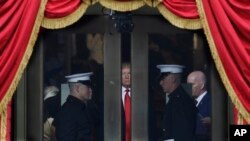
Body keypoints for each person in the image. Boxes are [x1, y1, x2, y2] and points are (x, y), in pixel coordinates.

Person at [156, 64, 197, 141]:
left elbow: (183, 133)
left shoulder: (181, 100)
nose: (161, 83)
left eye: (163, 78)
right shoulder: (175, 98)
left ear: (173, 79)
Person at [54, 72, 97, 141]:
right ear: (77, 88)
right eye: (88, 87)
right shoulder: (67, 112)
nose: (91, 90)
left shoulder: (85, 108)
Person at [187, 71, 211, 141]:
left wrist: (212, 121)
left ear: (202, 85)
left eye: (192, 84)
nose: (189, 88)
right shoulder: (189, 102)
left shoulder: (211, 101)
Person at [121, 63, 131, 141]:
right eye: (123, 74)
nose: (126, 76)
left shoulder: (141, 93)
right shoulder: (113, 94)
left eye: (129, 73)